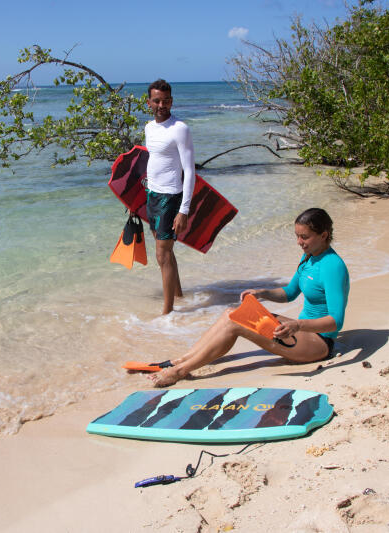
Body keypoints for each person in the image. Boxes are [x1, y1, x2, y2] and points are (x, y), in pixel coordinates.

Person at [150, 207, 350, 387]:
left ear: (324, 235)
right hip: (300, 332)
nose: (299, 242)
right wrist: (262, 293)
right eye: (297, 236)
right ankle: (182, 360)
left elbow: (336, 321)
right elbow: (289, 293)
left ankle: (179, 372)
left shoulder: (333, 266)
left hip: (319, 344)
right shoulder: (308, 257)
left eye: (304, 237)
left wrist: (297, 325)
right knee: (231, 313)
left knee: (237, 323)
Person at [145, 79, 196, 314]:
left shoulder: (180, 129)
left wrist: (184, 210)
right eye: (157, 100)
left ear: (171, 101)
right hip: (152, 195)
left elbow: (190, 171)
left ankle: (167, 313)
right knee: (167, 252)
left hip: (170, 197)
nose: (161, 105)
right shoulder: (148, 128)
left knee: (162, 254)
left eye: (165, 101)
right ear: (149, 103)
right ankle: (178, 296)